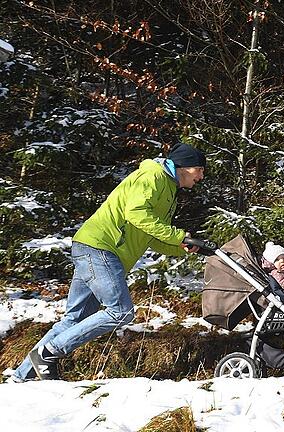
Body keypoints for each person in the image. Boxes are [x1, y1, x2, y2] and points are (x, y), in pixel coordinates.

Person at [11, 143, 206, 381]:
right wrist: (178, 236)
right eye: (200, 169)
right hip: (101, 248)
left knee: (74, 320)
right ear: (184, 166)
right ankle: (49, 352)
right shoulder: (153, 175)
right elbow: (137, 214)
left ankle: (21, 376)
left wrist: (184, 247)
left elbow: (150, 237)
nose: (201, 176)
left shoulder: (169, 189)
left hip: (95, 249)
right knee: (121, 312)